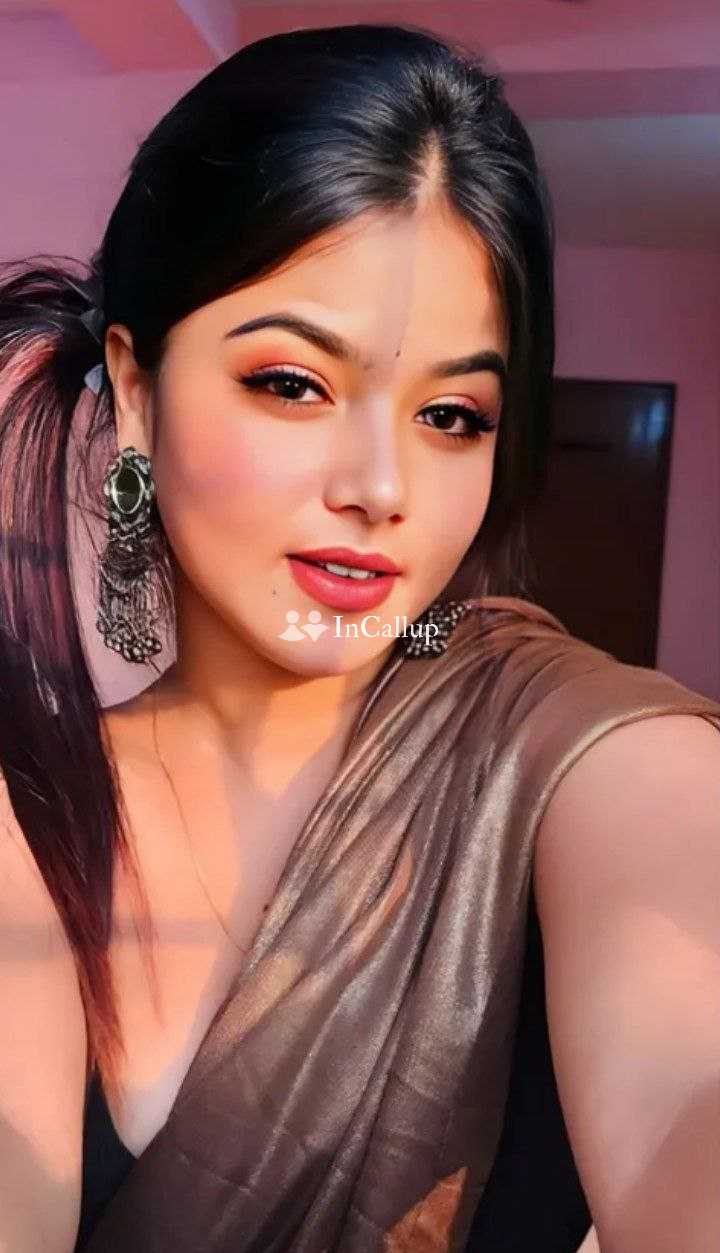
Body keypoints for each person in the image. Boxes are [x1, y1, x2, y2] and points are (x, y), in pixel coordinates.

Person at [0, 22, 718, 1253]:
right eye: (293, 383)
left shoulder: (570, 750)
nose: (383, 487)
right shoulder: (32, 809)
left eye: (453, 413)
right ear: (137, 385)